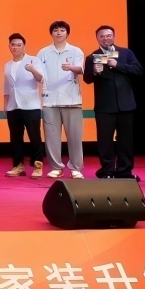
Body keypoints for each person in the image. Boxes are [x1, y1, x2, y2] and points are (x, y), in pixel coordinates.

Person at [83, 25, 143, 179]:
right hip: (104, 106)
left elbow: (138, 70)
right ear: (97, 38)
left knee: (126, 140)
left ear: (114, 36)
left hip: (126, 105)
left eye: (108, 35)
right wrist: (95, 72)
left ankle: (125, 171)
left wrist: (118, 65)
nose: (106, 38)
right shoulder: (92, 57)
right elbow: (87, 79)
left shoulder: (125, 53)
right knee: (105, 141)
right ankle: (107, 171)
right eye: (102, 36)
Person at [37, 21, 85, 179]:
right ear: (51, 33)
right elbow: (40, 75)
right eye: (55, 30)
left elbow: (80, 69)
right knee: (51, 137)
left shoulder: (76, 51)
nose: (58, 33)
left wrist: (71, 68)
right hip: (50, 100)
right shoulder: (43, 52)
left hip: (72, 100)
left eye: (62, 30)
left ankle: (76, 167)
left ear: (67, 33)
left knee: (75, 137)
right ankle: (56, 167)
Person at [3, 33, 44, 178]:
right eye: (13, 45)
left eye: (19, 45)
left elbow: (41, 78)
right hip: (13, 106)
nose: (15, 47)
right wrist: (5, 104)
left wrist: (32, 69)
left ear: (24, 46)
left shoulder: (33, 60)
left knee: (35, 137)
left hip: (31, 105)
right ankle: (18, 165)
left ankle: (38, 165)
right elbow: (7, 87)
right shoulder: (7, 65)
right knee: (15, 138)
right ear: (9, 46)